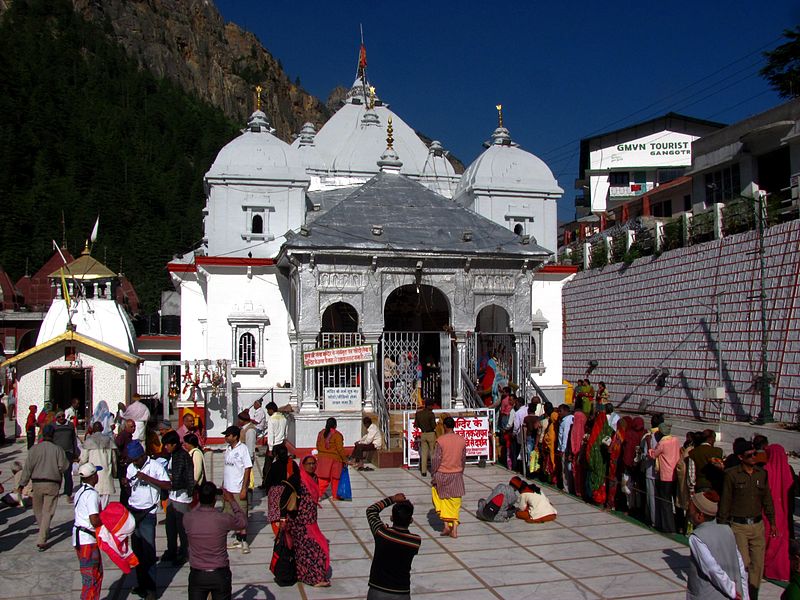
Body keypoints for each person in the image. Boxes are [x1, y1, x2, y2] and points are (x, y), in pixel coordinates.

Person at [718, 439, 777, 600]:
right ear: (740, 457)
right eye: (749, 455)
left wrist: (772, 522)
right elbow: (726, 501)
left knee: (757, 565)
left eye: (754, 454)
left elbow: (767, 499)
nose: (753, 457)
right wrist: (721, 527)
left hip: (757, 526)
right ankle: (742, 595)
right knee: (743, 563)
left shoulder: (761, 474)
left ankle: (754, 595)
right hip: (739, 526)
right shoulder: (731, 475)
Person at [184, 481, 247, 600]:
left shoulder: (188, 518)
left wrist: (202, 499)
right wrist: (232, 501)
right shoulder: (223, 519)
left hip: (197, 574)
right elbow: (243, 522)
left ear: (199, 497)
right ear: (215, 500)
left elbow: (193, 511)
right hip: (219, 574)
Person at [125, 440, 171, 600]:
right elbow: (130, 487)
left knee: (149, 552)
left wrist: (147, 478)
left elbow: (167, 485)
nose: (134, 463)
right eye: (132, 460)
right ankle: (141, 584)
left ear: (143, 456)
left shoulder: (155, 467)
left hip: (148, 513)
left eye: (136, 460)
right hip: (133, 511)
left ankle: (151, 589)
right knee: (137, 552)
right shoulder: (131, 467)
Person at [687, 490, 749, 600]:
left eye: (690, 509)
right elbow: (740, 565)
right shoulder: (727, 530)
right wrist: (744, 595)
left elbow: (712, 569)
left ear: (700, 515)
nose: (689, 512)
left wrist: (732, 591)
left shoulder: (696, 537)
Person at [18, 423, 69, 550]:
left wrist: (21, 484)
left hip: (37, 484)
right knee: (48, 512)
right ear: (53, 435)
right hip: (52, 483)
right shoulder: (58, 450)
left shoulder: (34, 449)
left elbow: (27, 469)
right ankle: (43, 535)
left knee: (38, 511)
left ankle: (42, 534)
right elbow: (64, 466)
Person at [283, 455, 331, 587]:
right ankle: (314, 579)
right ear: (302, 465)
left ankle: (310, 576)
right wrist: (282, 519)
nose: (311, 466)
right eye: (308, 464)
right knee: (313, 549)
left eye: (313, 463)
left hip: (311, 521)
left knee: (315, 548)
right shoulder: (296, 479)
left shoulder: (314, 478)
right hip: (299, 523)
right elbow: (284, 497)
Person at [366, 493, 421, 599]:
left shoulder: (381, 533)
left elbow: (371, 511)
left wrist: (393, 499)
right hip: (401, 593)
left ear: (391, 518)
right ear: (411, 520)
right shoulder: (415, 541)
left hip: (377, 591)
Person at [162, 430, 194, 565]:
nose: (165, 447)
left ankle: (184, 553)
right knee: (170, 527)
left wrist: (170, 484)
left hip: (181, 497)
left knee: (182, 528)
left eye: (167, 445)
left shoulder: (182, 457)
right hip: (172, 496)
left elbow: (186, 478)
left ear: (174, 444)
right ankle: (172, 550)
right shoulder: (173, 456)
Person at [73, 462, 104, 600]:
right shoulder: (92, 494)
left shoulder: (80, 491)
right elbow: (94, 520)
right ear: (93, 476)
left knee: (89, 576)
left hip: (79, 538)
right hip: (88, 541)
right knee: (92, 577)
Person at [431, 416, 466, 539]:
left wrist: (433, 473)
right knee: (455, 502)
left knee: (442, 498)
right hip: (456, 474)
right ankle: (453, 528)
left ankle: (446, 525)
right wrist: (461, 471)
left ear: (445, 426)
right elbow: (463, 459)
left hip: (442, 474)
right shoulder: (462, 440)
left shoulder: (440, 440)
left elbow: (436, 459)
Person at [763, 444, 794, 582]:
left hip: (767, 511)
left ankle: (766, 567)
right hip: (783, 510)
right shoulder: (788, 470)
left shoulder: (766, 469)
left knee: (767, 538)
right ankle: (779, 570)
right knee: (780, 540)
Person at [222, 425, 252, 554]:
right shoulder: (228, 449)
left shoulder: (243, 449)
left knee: (242, 515)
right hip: (228, 489)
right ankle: (238, 540)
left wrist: (244, 488)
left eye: (228, 435)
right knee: (230, 515)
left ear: (234, 436)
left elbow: (247, 468)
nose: (225, 437)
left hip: (238, 489)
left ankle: (244, 541)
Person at [649, 422, 681, 533]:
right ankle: (679, 525)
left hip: (665, 475)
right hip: (675, 473)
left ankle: (668, 527)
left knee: (665, 502)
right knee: (676, 501)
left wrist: (650, 449)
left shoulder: (662, 443)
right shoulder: (675, 440)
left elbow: (654, 454)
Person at [79, 421, 117, 508]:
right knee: (103, 506)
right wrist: (114, 474)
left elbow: (83, 460)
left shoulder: (89, 441)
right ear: (102, 429)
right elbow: (114, 460)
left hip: (91, 477)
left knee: (93, 505)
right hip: (106, 476)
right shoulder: (108, 440)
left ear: (92, 429)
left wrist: (81, 472)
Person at [264, 445, 298, 536]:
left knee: (275, 515)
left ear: (276, 455)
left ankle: (278, 535)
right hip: (289, 491)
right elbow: (298, 478)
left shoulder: (274, 465)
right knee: (288, 513)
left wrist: (268, 491)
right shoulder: (292, 464)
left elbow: (268, 481)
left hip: (275, 493)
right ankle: (288, 535)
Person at [641, 413, 665, 529]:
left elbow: (646, 455)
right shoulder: (666, 437)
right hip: (664, 472)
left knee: (651, 497)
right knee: (661, 498)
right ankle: (662, 520)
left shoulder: (649, 437)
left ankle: (654, 521)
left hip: (651, 470)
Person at [316, 417, 347, 500]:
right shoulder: (337, 435)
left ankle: (317, 495)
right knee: (335, 479)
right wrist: (345, 460)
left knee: (323, 479)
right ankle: (335, 495)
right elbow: (340, 449)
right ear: (335, 425)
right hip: (335, 460)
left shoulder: (321, 433)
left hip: (322, 458)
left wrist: (322, 454)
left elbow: (317, 445)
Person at [585, 410, 612, 504]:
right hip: (602, 460)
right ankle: (600, 497)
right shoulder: (609, 430)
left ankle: (594, 497)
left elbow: (589, 447)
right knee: (600, 478)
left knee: (594, 477)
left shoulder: (595, 431)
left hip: (595, 460)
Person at [53, 410, 79, 501]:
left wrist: (75, 452)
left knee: (68, 473)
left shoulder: (70, 426)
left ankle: (68, 493)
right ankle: (55, 491)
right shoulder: (53, 426)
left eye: (63, 416)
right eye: (59, 417)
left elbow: (74, 439)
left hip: (68, 452)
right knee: (56, 474)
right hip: (56, 453)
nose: (61, 418)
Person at [690, 429, 725, 493]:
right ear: (711, 438)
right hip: (716, 486)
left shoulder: (693, 453)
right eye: (714, 438)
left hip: (700, 485)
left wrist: (691, 490)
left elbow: (691, 474)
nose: (714, 441)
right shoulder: (718, 451)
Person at [414, 400, 437, 476]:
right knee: (432, 453)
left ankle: (423, 471)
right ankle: (433, 471)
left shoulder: (418, 414)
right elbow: (433, 426)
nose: (433, 407)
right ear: (429, 406)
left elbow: (416, 424)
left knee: (423, 453)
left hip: (423, 434)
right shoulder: (431, 414)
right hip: (431, 433)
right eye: (432, 406)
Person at [115, 419, 136, 506]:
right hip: (123, 466)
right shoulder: (123, 435)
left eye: (134, 426)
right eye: (131, 427)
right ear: (126, 427)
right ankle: (123, 506)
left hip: (128, 464)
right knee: (125, 488)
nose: (134, 428)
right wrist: (121, 458)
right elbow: (116, 446)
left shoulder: (129, 436)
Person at [569, 409, 587, 499]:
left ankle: (578, 491)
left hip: (577, 455)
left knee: (577, 473)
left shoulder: (574, 429)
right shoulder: (585, 428)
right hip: (581, 455)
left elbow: (573, 442)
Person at [556, 404, 573, 492]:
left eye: (560, 411)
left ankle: (566, 488)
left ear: (566, 411)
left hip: (565, 449)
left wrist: (562, 449)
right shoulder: (567, 419)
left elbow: (565, 436)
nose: (559, 413)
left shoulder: (566, 421)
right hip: (566, 448)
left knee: (565, 469)